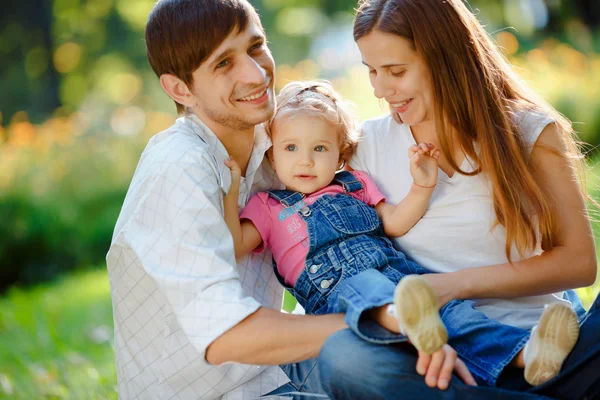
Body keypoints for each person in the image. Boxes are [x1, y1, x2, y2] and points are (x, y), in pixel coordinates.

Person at [106, 0, 475, 399]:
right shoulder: (177, 165)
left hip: (280, 374)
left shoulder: (280, 146)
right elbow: (224, 335)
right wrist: (382, 319)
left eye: (254, 47)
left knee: (418, 353)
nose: (255, 72)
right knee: (367, 361)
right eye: (223, 64)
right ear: (180, 88)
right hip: (217, 393)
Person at [312, 0, 600, 398]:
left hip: (552, 346)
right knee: (345, 359)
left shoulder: (529, 132)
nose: (380, 89)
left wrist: (448, 286)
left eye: (396, 71)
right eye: (372, 71)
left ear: (446, 61)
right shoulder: (366, 148)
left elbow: (579, 264)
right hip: (443, 359)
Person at [223, 79, 581, 387]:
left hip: (398, 272)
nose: (305, 160)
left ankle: (527, 353)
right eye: (290, 148)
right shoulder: (268, 206)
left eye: (319, 149)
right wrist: (231, 190)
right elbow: (236, 243)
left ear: (339, 156)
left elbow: (394, 223)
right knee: (372, 292)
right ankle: (411, 324)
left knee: (455, 311)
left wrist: (422, 185)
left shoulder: (353, 184)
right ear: (272, 156)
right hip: (337, 287)